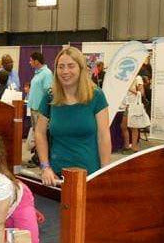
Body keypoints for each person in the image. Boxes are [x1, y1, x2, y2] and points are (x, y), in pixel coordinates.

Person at [34, 46, 111, 185]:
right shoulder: (50, 96)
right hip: (57, 177)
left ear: (81, 68)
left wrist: (104, 173)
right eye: (61, 67)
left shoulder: (96, 96)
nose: (65, 71)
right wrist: (45, 167)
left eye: (71, 66)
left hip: (90, 175)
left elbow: (103, 136)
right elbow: (39, 133)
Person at [27, 52, 53, 154]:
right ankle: (37, 155)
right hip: (34, 109)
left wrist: (45, 109)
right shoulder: (38, 73)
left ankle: (41, 155)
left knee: (41, 133)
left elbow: (48, 92)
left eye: (31, 60)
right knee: (36, 133)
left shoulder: (47, 73)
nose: (29, 62)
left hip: (40, 110)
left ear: (36, 61)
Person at [121, 73, 146, 153]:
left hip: (134, 106)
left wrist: (129, 89)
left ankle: (134, 147)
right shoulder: (125, 77)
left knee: (133, 127)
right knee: (123, 126)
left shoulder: (137, 78)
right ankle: (127, 146)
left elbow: (142, 93)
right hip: (126, 106)